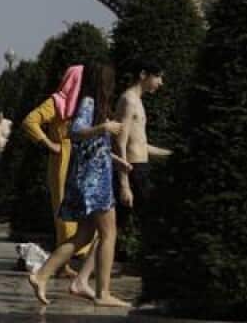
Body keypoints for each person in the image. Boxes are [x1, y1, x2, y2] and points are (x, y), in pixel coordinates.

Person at [28, 64, 132, 308]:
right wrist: (104, 127)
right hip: (95, 182)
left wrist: (116, 161)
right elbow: (75, 132)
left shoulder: (94, 105)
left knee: (84, 235)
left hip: (92, 176)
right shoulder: (88, 103)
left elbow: (92, 146)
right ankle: (102, 292)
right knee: (109, 234)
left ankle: (41, 275)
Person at [21, 64, 94, 269]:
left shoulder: (87, 104)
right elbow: (30, 121)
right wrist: (49, 144)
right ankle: (67, 264)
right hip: (64, 162)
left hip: (85, 161)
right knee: (66, 216)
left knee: (88, 211)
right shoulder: (57, 102)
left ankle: (76, 261)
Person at [114, 61, 169, 223]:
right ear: (143, 75)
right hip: (132, 169)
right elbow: (120, 142)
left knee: (118, 225)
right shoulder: (129, 101)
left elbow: (140, 144)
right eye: (158, 76)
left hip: (140, 168)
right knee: (116, 226)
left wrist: (169, 154)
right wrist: (125, 184)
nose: (161, 83)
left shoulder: (137, 101)